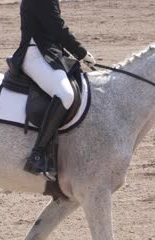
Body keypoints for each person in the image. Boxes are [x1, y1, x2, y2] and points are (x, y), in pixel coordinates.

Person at [9, 0, 96, 180]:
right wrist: (82, 53)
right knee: (65, 95)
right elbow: (57, 28)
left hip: (50, 52)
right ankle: (38, 155)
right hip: (35, 53)